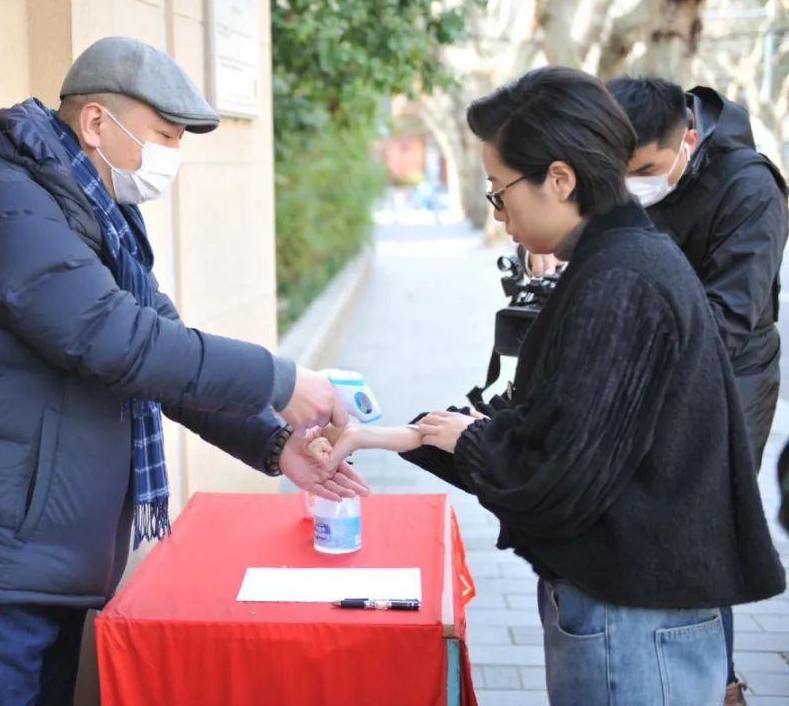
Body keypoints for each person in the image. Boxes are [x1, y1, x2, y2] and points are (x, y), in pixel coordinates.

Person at [0, 36, 368, 704]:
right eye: (161, 136)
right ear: (94, 124)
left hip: (41, 557)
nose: (169, 159)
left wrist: (276, 442)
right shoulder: (3, 206)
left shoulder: (95, 218)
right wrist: (283, 382)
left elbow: (161, 348)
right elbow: (119, 342)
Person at [316, 66, 786, 705]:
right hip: (634, 605)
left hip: (632, 620)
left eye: (499, 190)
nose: (499, 212)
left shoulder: (622, 281)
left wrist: (470, 442)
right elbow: (543, 424)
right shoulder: (617, 258)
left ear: (559, 179)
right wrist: (391, 435)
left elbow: (560, 480)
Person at [606, 77, 789, 704]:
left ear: (688, 139)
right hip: (649, 359)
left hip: (731, 373)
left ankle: (721, 682)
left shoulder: (752, 188)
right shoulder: (634, 165)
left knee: (704, 520)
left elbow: (728, 319)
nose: (634, 187)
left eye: (647, 171)